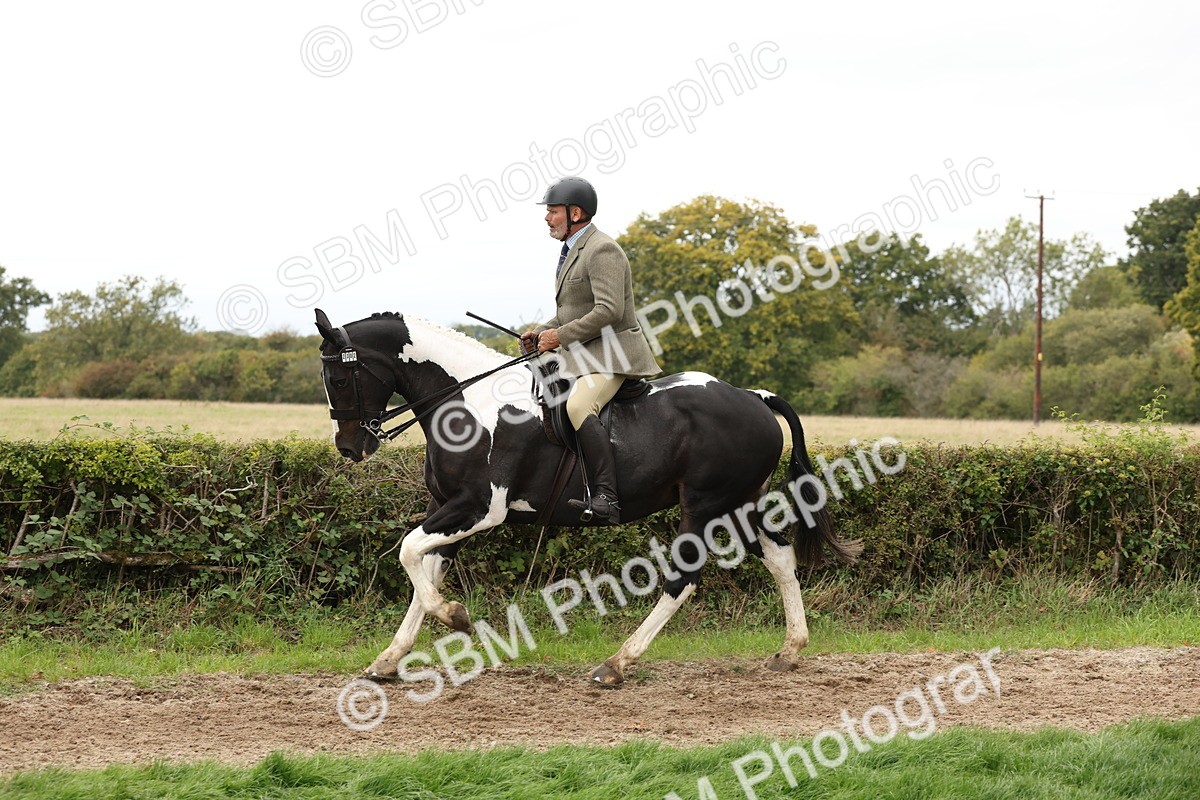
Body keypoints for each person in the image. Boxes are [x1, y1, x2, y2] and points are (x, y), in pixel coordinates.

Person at [521, 177, 661, 522]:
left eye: (552, 211)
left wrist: (560, 337)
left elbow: (609, 310)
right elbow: (573, 310)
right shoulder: (572, 250)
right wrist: (541, 332)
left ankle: (606, 497)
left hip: (613, 353)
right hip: (585, 353)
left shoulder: (602, 249)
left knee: (580, 404)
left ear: (575, 212)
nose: (547, 217)